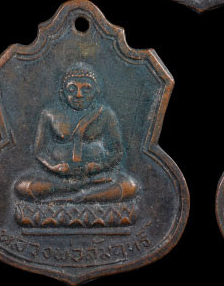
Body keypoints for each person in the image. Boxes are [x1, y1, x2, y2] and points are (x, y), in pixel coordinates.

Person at [14, 63, 137, 203]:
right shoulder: (49, 114)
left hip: (98, 177)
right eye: (72, 89)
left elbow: (117, 150)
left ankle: (73, 197)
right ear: (62, 93)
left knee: (129, 186)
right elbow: (39, 151)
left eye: (86, 89)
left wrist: (100, 166)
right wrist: (53, 167)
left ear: (96, 92)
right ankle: (79, 194)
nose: (79, 95)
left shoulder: (106, 114)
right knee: (23, 186)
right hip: (57, 179)